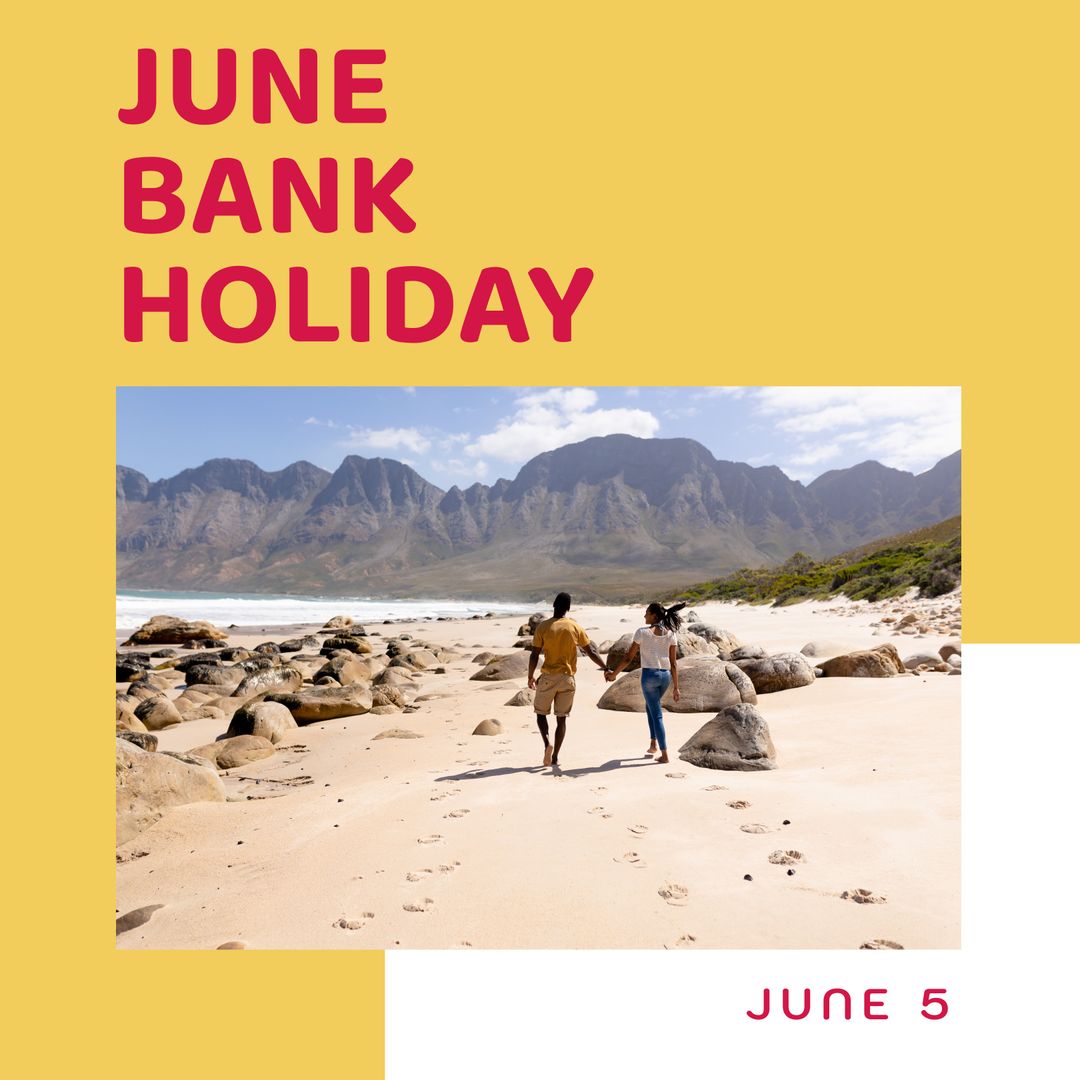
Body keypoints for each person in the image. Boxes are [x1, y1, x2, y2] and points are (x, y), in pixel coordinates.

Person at [528, 592, 608, 767]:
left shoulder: (543, 627)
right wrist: (606, 668)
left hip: (548, 677)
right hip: (568, 679)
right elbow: (591, 651)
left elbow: (534, 655)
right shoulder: (575, 627)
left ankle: (547, 743)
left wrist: (530, 676)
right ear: (568, 608)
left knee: (541, 714)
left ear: (554, 605)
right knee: (561, 719)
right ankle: (555, 755)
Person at [605, 601, 685, 763]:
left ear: (654, 615)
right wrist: (676, 687)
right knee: (651, 707)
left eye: (647, 613)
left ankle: (664, 754)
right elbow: (674, 663)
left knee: (657, 714)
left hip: (649, 676)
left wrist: (614, 674)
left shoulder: (642, 633)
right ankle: (653, 744)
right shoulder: (671, 634)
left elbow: (628, 658)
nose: (644, 615)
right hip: (665, 677)